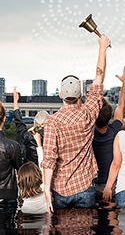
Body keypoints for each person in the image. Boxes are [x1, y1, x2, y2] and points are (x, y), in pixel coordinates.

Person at [42, 34, 111, 212]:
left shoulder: (52, 122)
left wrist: (46, 189)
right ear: (80, 96)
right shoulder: (88, 114)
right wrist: (102, 48)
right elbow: (99, 79)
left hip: (60, 189)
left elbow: (49, 159)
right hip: (85, 187)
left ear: (60, 96)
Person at [93, 66, 125, 199]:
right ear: (110, 117)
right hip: (113, 184)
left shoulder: (88, 133)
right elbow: (121, 105)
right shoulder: (115, 130)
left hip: (93, 185)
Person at [12, 87, 46, 165]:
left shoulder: (28, 138)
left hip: (31, 175)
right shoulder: (52, 139)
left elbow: (19, 124)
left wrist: (15, 101)